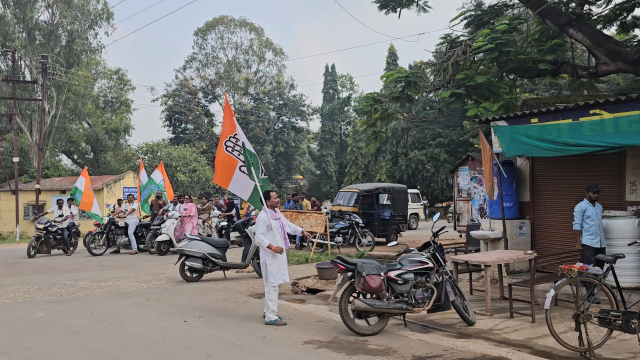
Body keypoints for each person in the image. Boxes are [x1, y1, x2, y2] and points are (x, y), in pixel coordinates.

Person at [255, 190, 311, 326]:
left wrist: (301, 231)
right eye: (275, 198)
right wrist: (273, 247)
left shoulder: (276, 214)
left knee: (274, 284)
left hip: (278, 256)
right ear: (268, 202)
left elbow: (288, 226)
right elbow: (258, 238)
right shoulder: (263, 217)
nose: (278, 199)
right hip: (269, 256)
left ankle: (268, 310)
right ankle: (271, 316)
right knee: (272, 285)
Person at [574, 182, 606, 269]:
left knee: (600, 269)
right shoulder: (580, 207)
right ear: (587, 193)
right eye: (593, 193)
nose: (596, 195)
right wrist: (578, 244)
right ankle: (587, 283)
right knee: (589, 269)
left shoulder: (599, 207)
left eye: (597, 193)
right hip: (588, 243)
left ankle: (597, 283)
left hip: (601, 243)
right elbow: (577, 225)